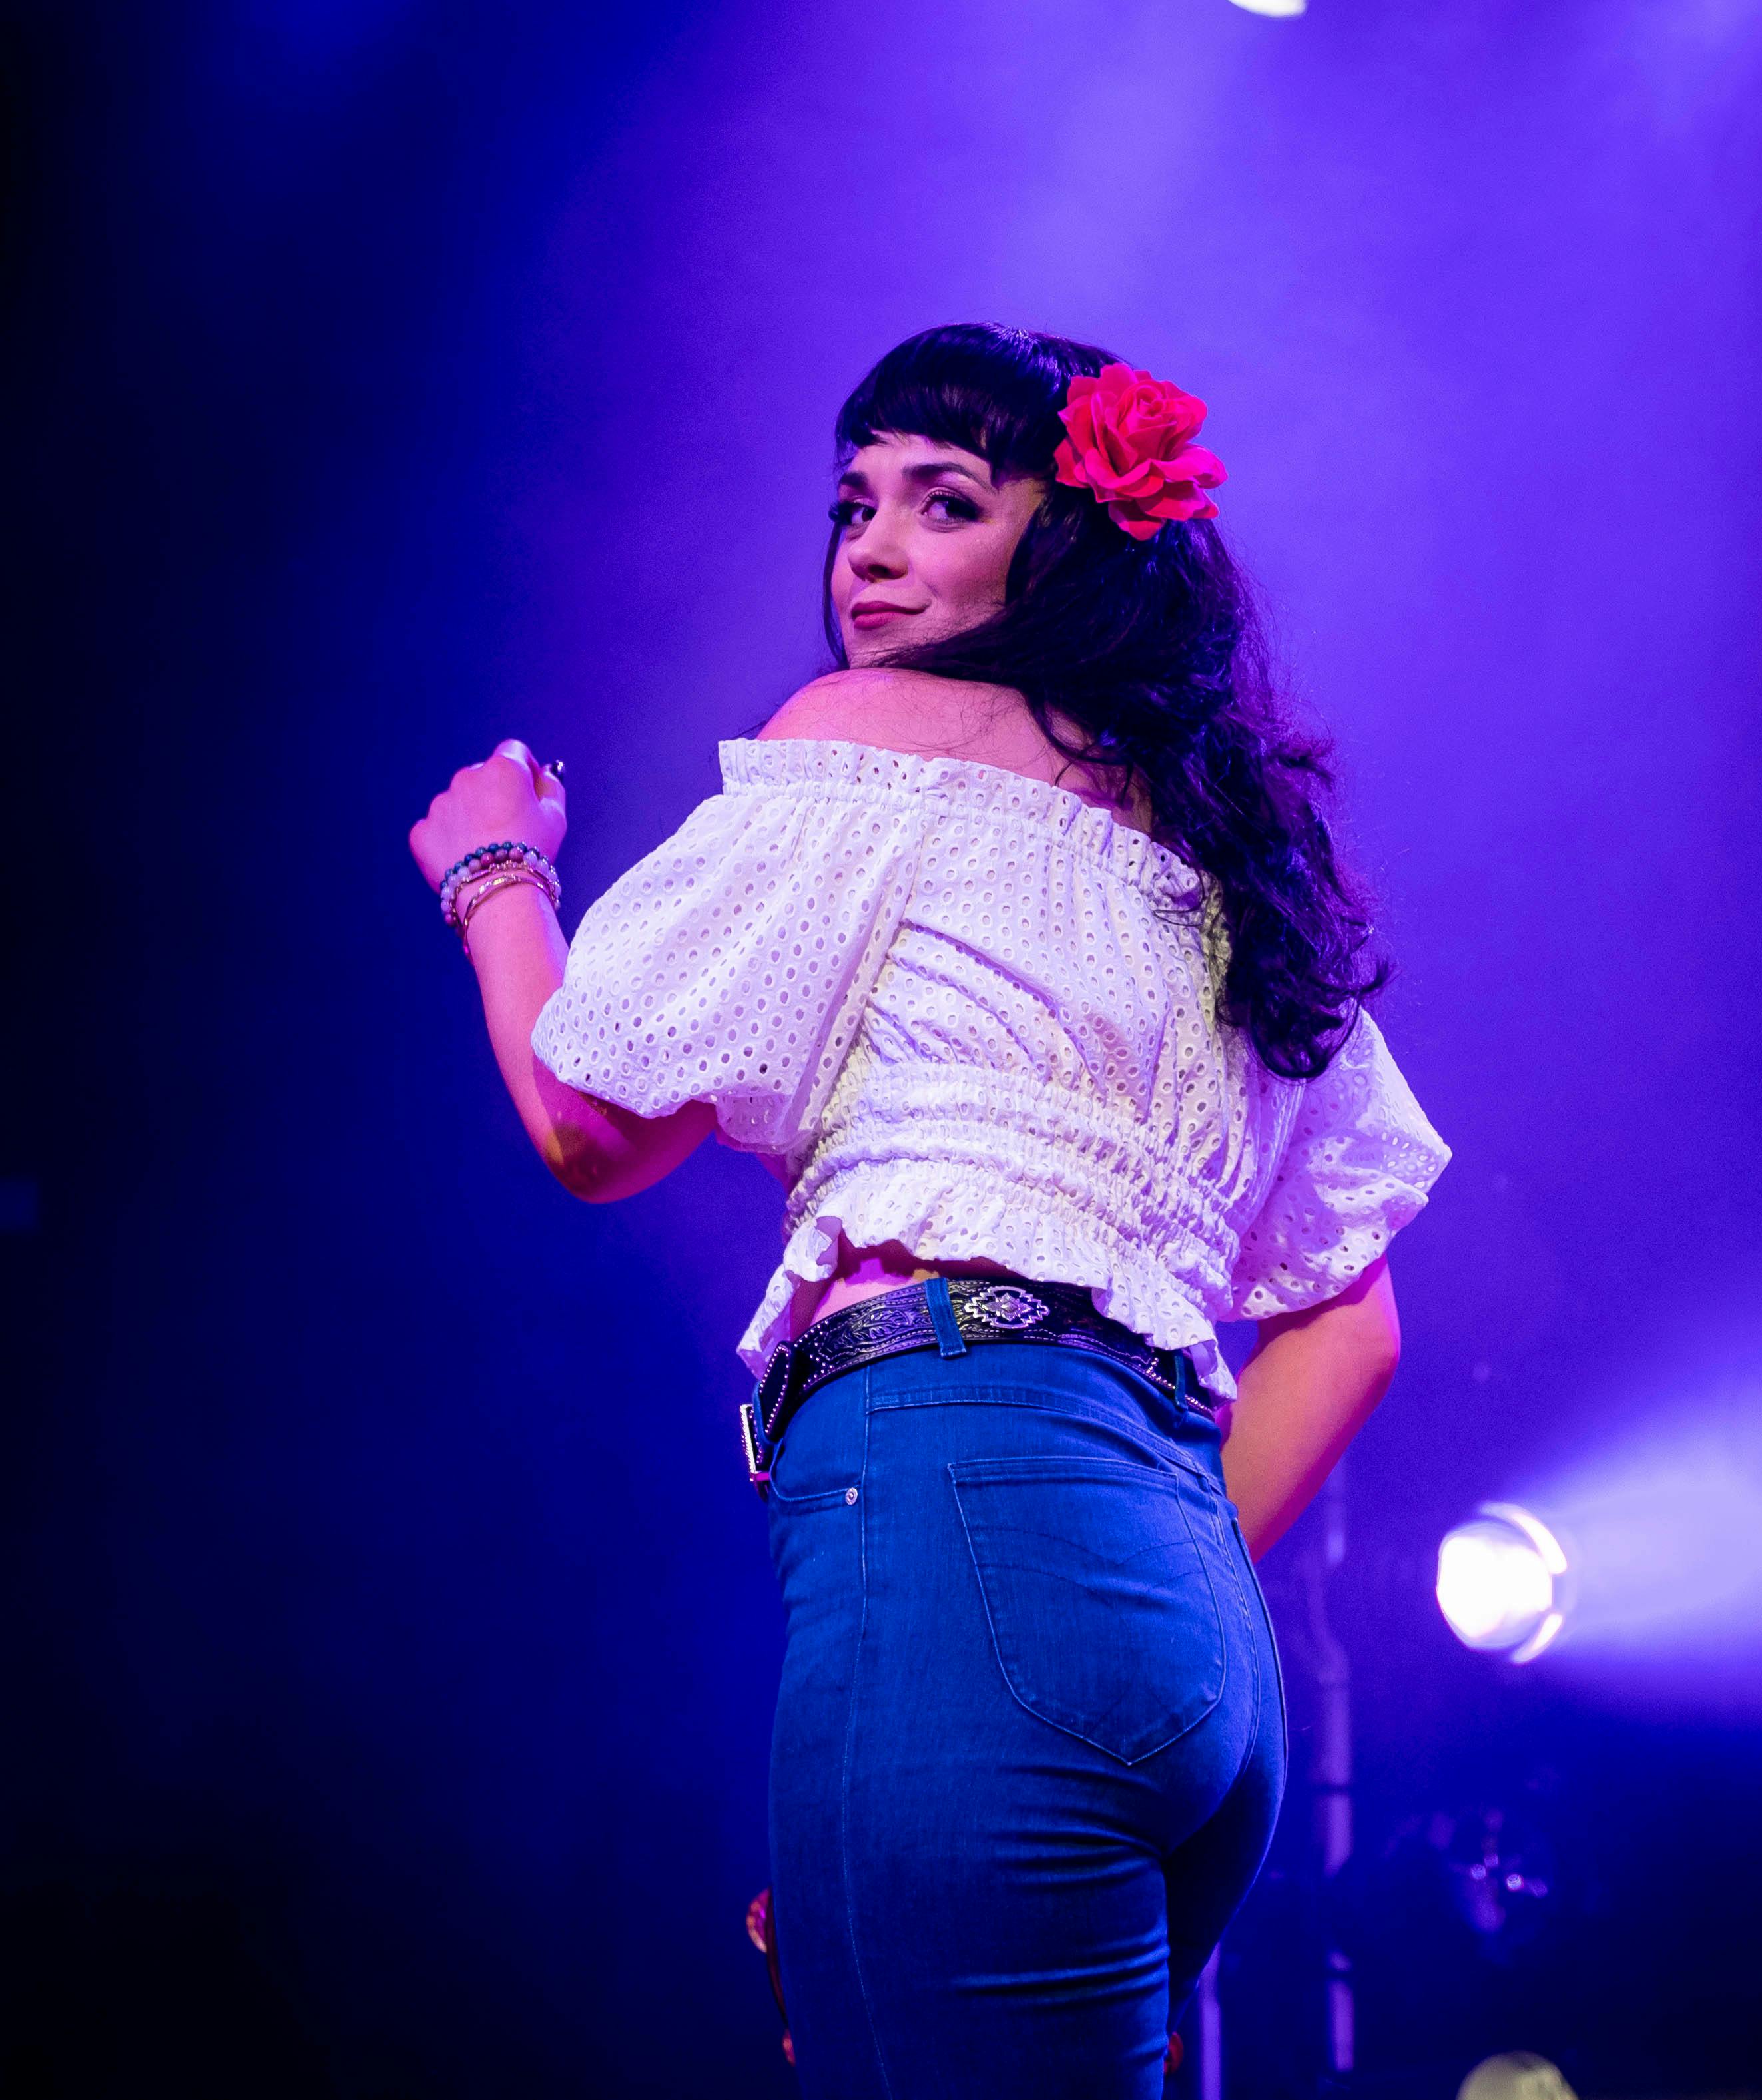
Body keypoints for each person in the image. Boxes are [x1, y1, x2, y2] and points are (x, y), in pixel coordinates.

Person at [409, 324, 1449, 2097]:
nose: (867, 550)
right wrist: (1114, 1610)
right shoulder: (1226, 860)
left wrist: (496, 872)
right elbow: (1349, 1324)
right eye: (850, 503)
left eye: (942, 500)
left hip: (972, 1526)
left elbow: (591, 1123)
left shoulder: (876, 739)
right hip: (1198, 1636)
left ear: (1061, 543)